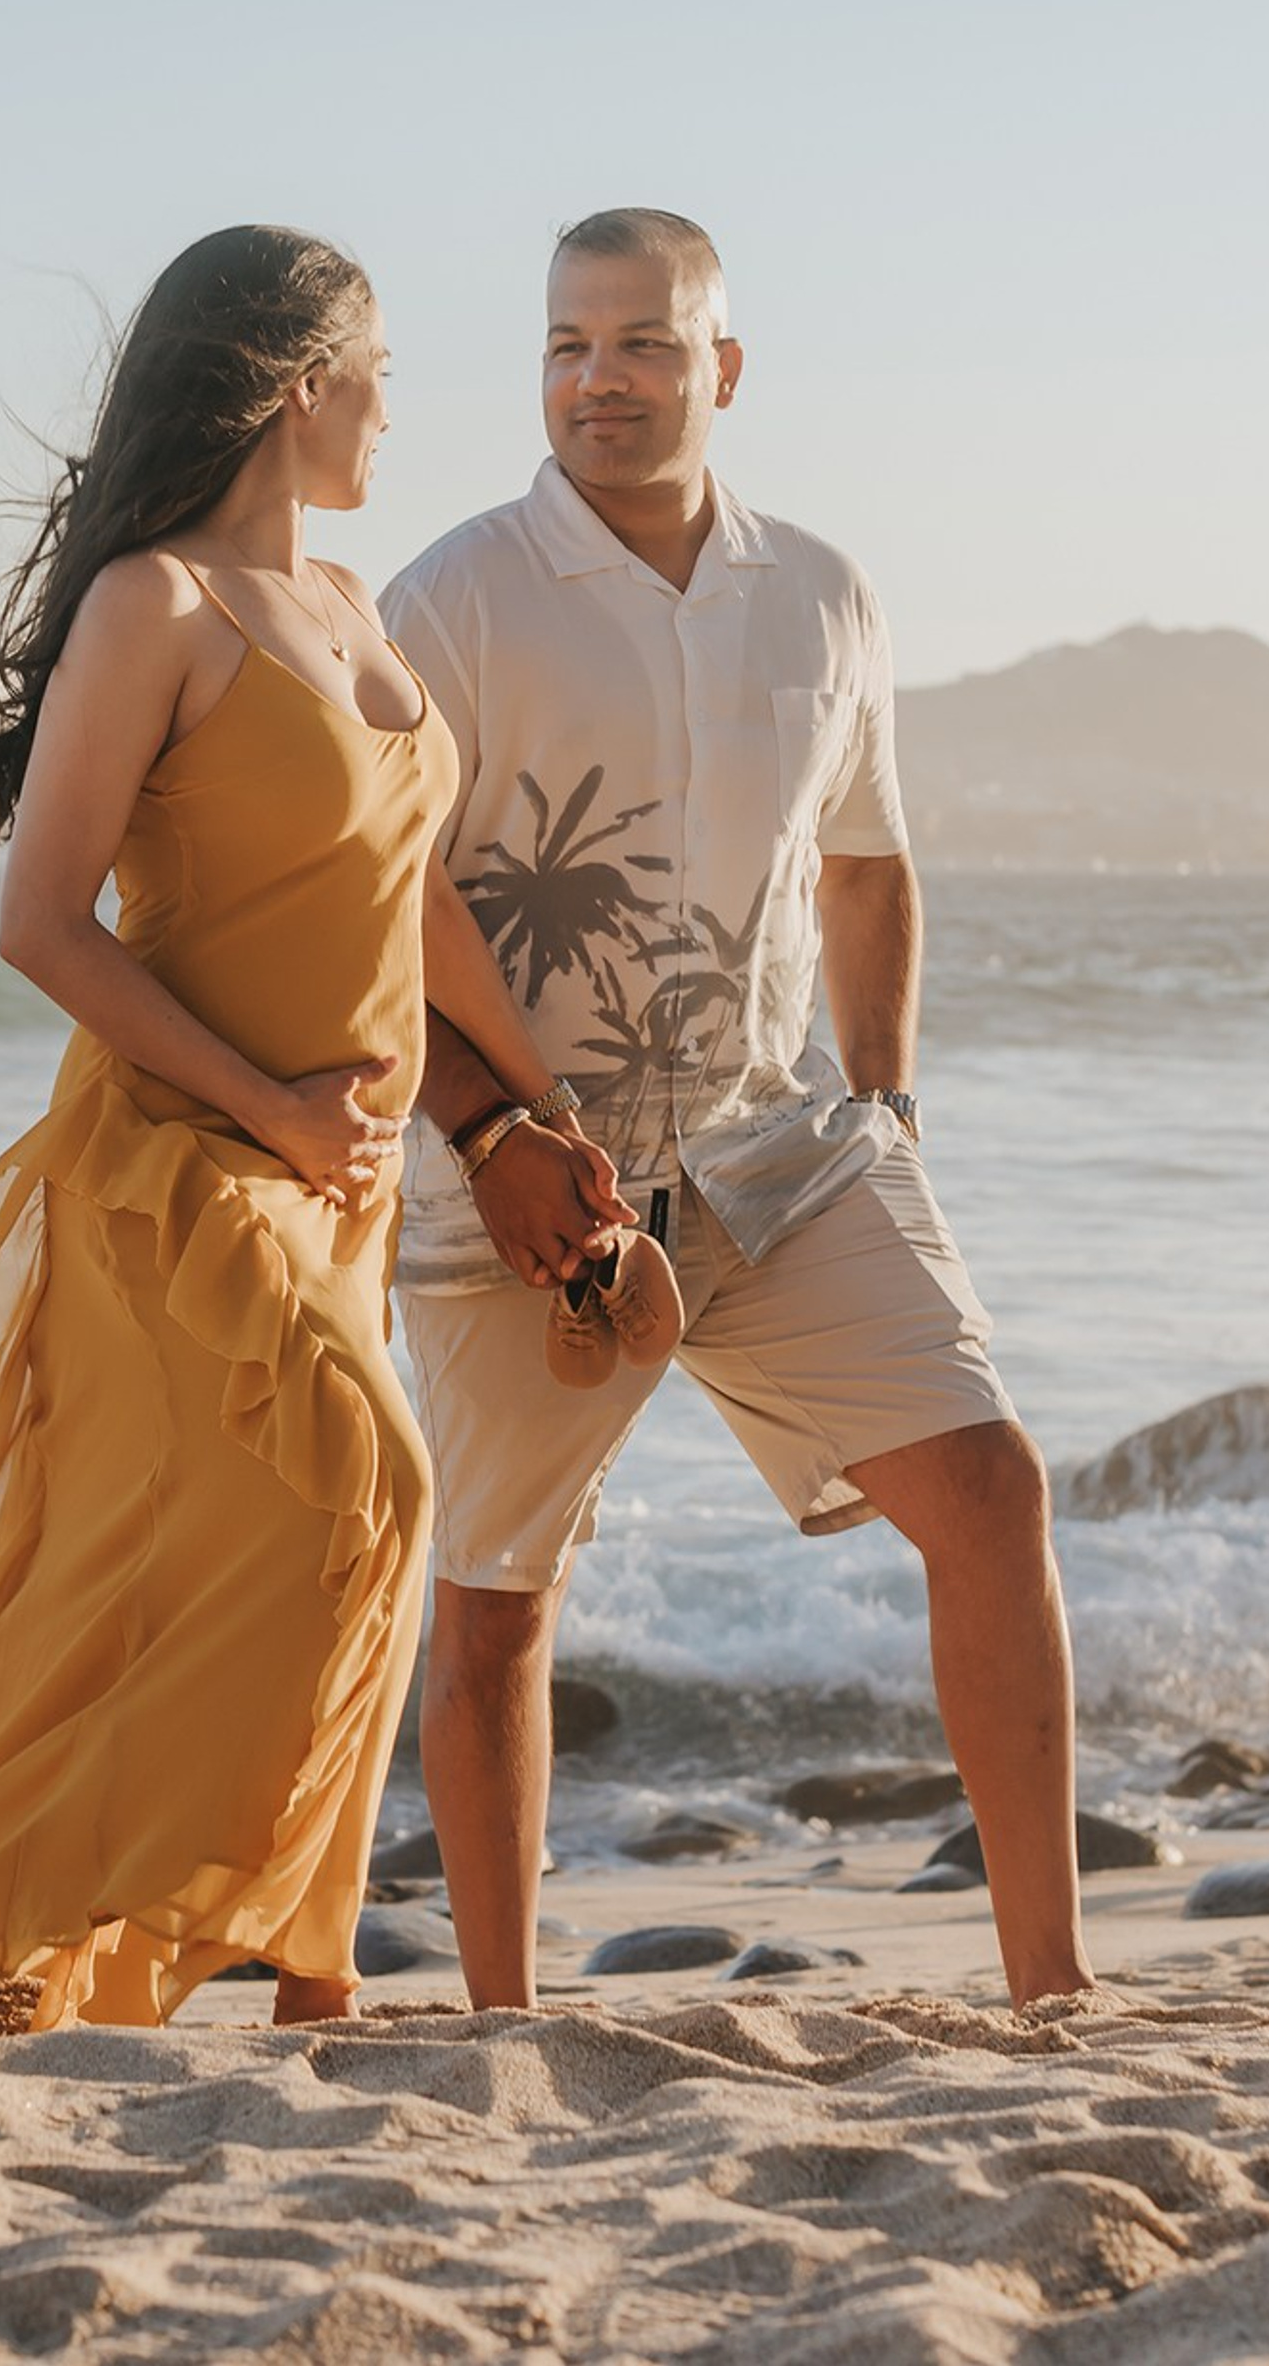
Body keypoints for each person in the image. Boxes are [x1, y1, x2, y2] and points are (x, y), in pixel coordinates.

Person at [0, 225, 591, 2035]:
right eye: (377, 378)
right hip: (186, 1162)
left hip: (341, 1183)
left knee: (267, 1547)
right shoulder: (158, 610)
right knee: (374, 1492)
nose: (389, 415)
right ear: (304, 387)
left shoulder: (353, 609)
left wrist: (530, 1103)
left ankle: (309, 1972)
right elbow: (41, 922)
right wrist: (268, 1102)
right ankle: (78, 1934)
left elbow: (415, 898)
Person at [380, 207, 1096, 2013]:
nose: (595, 379)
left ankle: (1054, 1992)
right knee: (499, 1595)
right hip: (526, 1176)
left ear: (725, 365)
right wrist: (485, 1131)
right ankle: (499, 2028)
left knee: (992, 1487)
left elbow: (869, 870)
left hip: (784, 1152)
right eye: (563, 344)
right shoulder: (454, 598)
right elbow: (374, 907)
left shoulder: (826, 593)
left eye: (637, 342)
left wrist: (895, 1108)